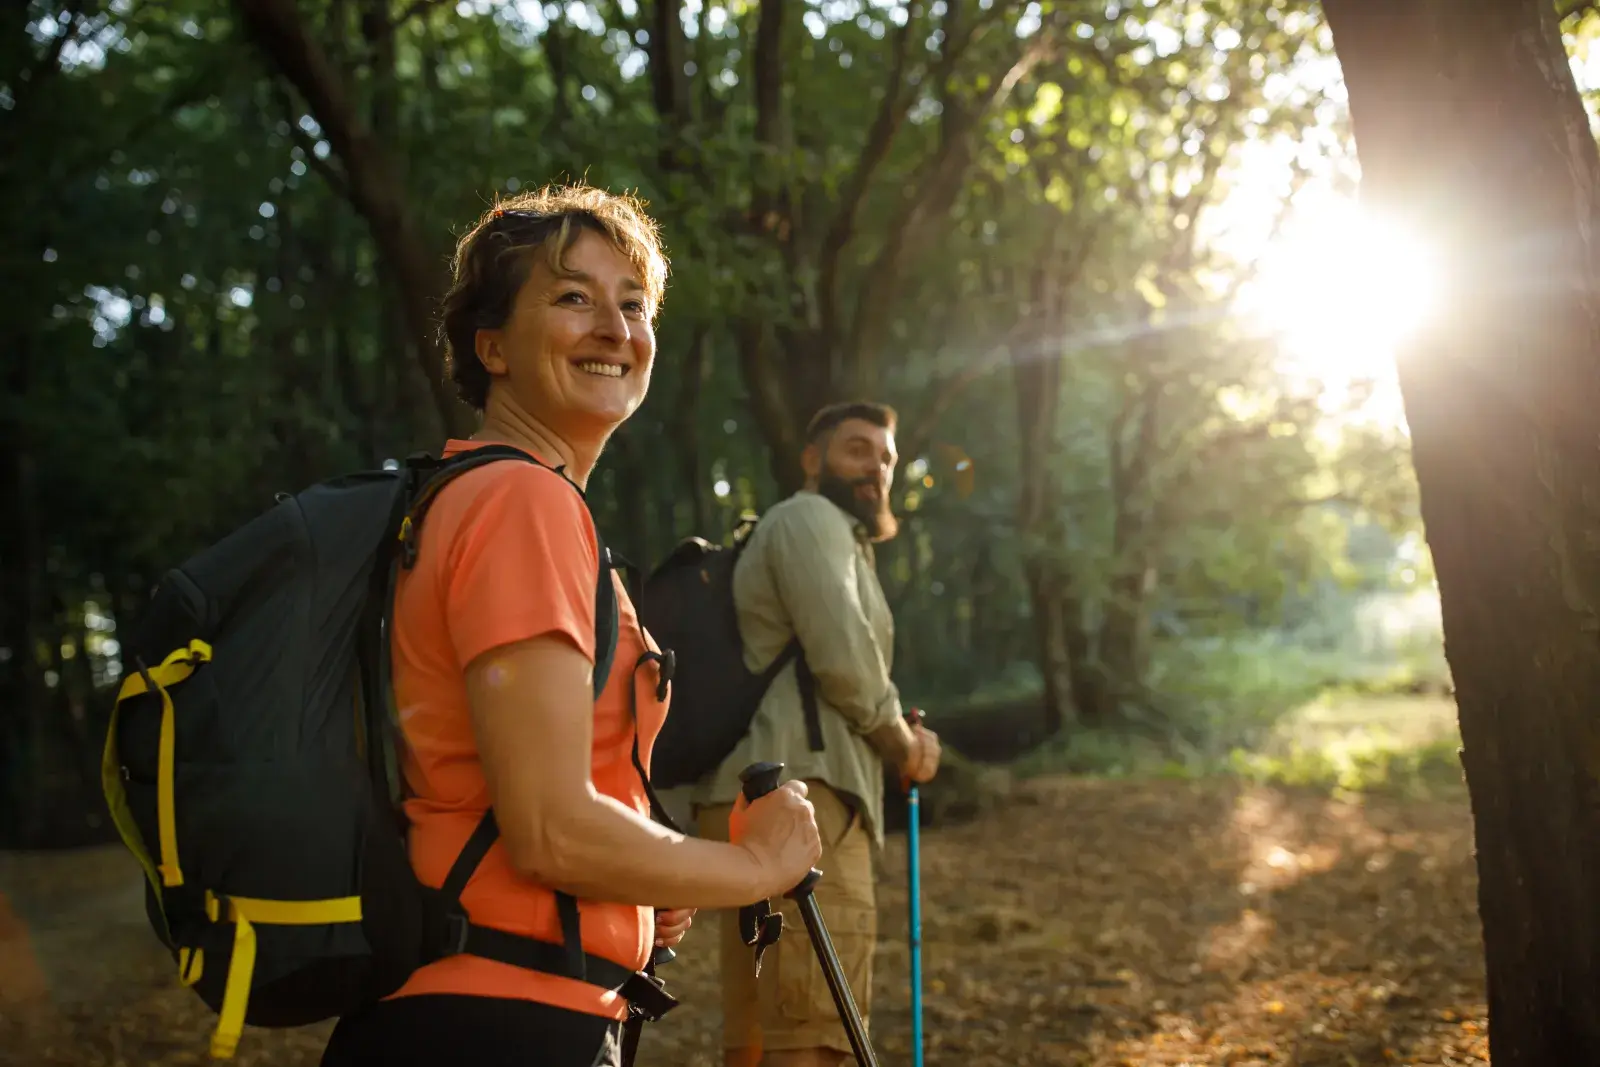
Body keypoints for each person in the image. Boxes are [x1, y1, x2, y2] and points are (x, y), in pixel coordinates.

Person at [319, 184, 823, 1067]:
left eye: (632, 304)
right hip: (496, 1021)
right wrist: (758, 867)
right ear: (492, 347)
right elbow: (550, 827)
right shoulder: (520, 502)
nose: (613, 327)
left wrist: (647, 879)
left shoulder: (478, 498)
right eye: (571, 297)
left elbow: (515, 788)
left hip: (488, 1007)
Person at [692, 401, 944, 1067]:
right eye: (859, 449)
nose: (877, 469)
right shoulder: (810, 517)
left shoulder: (815, 532)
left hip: (764, 797)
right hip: (808, 798)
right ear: (812, 458)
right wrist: (905, 747)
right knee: (813, 1035)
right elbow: (845, 656)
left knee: (756, 1035)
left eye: (887, 458)